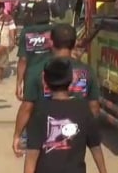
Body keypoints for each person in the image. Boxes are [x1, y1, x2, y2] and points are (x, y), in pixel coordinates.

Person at [13, 23, 100, 157]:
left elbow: (27, 107)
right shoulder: (87, 71)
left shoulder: (37, 71)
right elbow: (94, 107)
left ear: (51, 42)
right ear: (74, 43)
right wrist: (89, 135)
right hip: (74, 139)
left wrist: (17, 136)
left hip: (43, 138)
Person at [23, 58, 110, 173]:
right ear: (71, 81)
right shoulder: (83, 108)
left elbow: (32, 153)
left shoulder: (39, 111)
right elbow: (95, 145)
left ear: (45, 81)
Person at [16, 0, 53, 101]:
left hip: (31, 78)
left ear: (33, 15)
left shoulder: (26, 32)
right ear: (49, 14)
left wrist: (19, 84)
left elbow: (23, 60)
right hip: (52, 78)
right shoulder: (55, 30)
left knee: (29, 108)